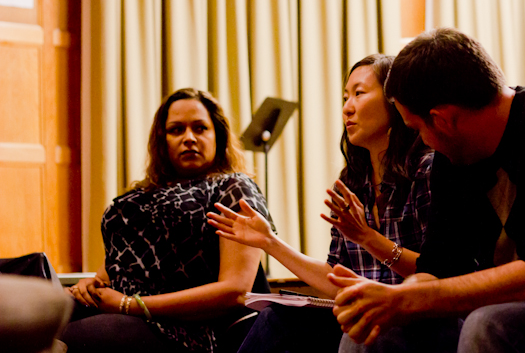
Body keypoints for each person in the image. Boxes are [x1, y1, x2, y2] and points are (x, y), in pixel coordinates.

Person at [328, 27, 525, 353]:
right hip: (509, 304)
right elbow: (439, 269)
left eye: (416, 129)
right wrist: (387, 301)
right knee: (374, 332)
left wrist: (407, 298)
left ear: (442, 120)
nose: (421, 143)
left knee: (489, 325)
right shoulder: (453, 157)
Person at [207, 54, 433, 352]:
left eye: (359, 94)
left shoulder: (427, 171)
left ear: (394, 101)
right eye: (344, 97)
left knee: (361, 332)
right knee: (275, 320)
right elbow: (334, 277)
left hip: (420, 315)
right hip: (362, 313)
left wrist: (369, 239)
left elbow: (438, 272)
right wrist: (269, 242)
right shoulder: (353, 182)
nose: (347, 108)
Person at [60, 88, 273, 353]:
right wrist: (90, 283)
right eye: (176, 130)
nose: (189, 138)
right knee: (30, 319)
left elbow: (235, 291)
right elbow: (122, 261)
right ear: (162, 140)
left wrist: (127, 304)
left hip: (185, 330)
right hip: (123, 310)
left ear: (217, 135)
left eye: (200, 128)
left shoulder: (232, 187)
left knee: (67, 340)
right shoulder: (140, 196)